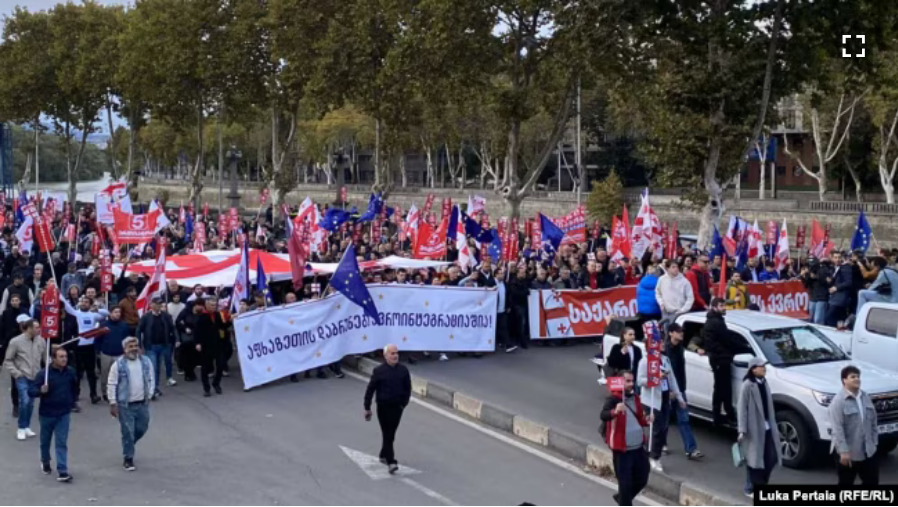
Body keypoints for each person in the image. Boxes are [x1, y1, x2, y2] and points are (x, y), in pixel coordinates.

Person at [600, 370, 651, 507]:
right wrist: (615, 411)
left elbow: (640, 419)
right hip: (623, 451)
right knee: (625, 485)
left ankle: (622, 498)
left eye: (632, 381)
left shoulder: (635, 398)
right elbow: (603, 415)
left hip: (638, 448)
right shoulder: (613, 399)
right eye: (628, 381)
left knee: (642, 478)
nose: (631, 384)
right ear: (620, 382)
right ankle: (624, 500)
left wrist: (647, 420)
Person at [636, 335, 685, 473]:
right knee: (657, 428)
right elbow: (640, 381)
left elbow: (672, 379)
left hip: (664, 397)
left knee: (663, 429)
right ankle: (654, 457)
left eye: (662, 342)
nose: (663, 344)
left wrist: (680, 398)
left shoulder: (665, 360)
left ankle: (650, 452)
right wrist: (656, 378)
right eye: (659, 343)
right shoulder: (645, 362)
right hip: (650, 400)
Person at [30, 346, 77, 482]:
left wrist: (71, 401)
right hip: (47, 413)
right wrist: (40, 390)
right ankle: (45, 461)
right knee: (45, 441)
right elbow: (31, 391)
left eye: (65, 357)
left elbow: (75, 387)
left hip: (63, 413)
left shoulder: (70, 372)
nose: (64, 359)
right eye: (61, 357)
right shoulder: (43, 374)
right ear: (53, 359)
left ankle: (62, 470)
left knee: (61, 442)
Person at [107, 336, 154, 472]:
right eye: (130, 346)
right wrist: (112, 403)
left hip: (142, 403)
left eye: (135, 346)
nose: (134, 349)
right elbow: (112, 383)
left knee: (142, 428)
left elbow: (151, 378)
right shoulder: (118, 364)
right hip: (125, 405)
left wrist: (149, 394)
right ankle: (128, 458)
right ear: (124, 349)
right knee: (128, 431)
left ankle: (128, 444)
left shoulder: (146, 362)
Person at [364, 344, 412, 474]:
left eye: (396, 353)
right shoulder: (379, 371)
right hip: (383, 407)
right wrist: (367, 407)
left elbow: (408, 389)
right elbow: (370, 389)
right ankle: (391, 461)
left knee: (391, 433)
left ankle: (383, 454)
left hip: (398, 408)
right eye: (392, 353)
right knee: (388, 433)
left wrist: (404, 404)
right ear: (385, 356)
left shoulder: (403, 370)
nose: (395, 355)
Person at [737, 357, 782, 496]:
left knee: (771, 457)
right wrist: (742, 430)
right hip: (754, 429)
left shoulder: (764, 382)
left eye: (764, 366)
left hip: (768, 428)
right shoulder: (747, 385)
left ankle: (759, 484)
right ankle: (752, 488)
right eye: (761, 366)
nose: (764, 368)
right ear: (753, 369)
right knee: (754, 460)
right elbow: (741, 408)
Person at [829, 365, 879, 486]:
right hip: (848, 453)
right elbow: (837, 428)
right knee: (846, 483)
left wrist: (874, 442)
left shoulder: (865, 397)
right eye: (852, 377)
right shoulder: (838, 401)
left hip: (868, 450)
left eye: (858, 376)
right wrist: (844, 451)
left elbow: (873, 421)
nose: (857, 379)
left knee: (872, 482)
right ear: (844, 380)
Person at [61, 294, 110, 405]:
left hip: (90, 346)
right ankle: (76, 394)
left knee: (91, 372)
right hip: (78, 346)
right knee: (77, 372)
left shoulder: (93, 315)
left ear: (90, 304)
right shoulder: (76, 313)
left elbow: (107, 314)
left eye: (86, 302)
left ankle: (93, 394)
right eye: (82, 301)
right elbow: (66, 304)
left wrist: (97, 308)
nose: (84, 303)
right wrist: (58, 292)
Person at [3, 315, 45, 440]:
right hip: (22, 376)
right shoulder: (15, 341)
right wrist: (17, 373)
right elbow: (8, 360)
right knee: (24, 401)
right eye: (37, 327)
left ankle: (27, 426)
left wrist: (47, 371)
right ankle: (21, 427)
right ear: (29, 328)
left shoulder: (41, 340)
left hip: (36, 376)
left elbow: (45, 358)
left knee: (31, 403)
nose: (39, 329)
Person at [665, 324, 703, 460]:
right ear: (671, 333)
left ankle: (691, 449)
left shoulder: (680, 349)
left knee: (684, 420)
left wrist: (681, 389)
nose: (681, 334)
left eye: (682, 332)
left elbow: (680, 371)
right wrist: (668, 389)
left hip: (680, 390)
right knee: (664, 419)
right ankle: (661, 444)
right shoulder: (665, 350)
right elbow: (664, 371)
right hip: (668, 391)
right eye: (678, 332)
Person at [700, 298, 738, 426]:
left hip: (719, 358)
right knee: (722, 388)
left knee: (721, 387)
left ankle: (722, 414)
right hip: (720, 359)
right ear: (714, 307)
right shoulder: (716, 322)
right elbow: (726, 339)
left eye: (724, 305)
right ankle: (724, 414)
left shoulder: (714, 320)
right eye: (722, 306)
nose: (724, 308)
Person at [136, 297, 178, 398]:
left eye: (160, 304)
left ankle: (156, 387)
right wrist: (139, 345)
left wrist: (177, 339)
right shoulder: (146, 317)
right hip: (151, 346)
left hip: (164, 345)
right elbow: (138, 330)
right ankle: (153, 389)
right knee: (153, 367)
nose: (159, 306)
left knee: (158, 367)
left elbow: (172, 328)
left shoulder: (166, 316)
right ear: (152, 305)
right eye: (157, 304)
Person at [95, 306, 130, 402]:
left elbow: (127, 339)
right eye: (115, 312)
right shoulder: (103, 325)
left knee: (120, 375)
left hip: (120, 354)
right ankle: (105, 393)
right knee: (105, 375)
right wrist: (98, 351)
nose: (118, 314)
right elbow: (97, 339)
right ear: (110, 313)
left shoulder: (124, 325)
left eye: (119, 312)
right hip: (106, 353)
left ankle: (119, 392)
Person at [196, 297, 226, 397]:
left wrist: (231, 320)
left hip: (217, 344)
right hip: (206, 346)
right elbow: (197, 331)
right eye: (212, 305)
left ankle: (216, 383)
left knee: (221, 365)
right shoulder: (202, 317)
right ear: (206, 305)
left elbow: (222, 326)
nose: (214, 307)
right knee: (205, 368)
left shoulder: (217, 315)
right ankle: (206, 388)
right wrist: (197, 343)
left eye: (215, 305)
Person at [654, 261, 693, 326]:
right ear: (667, 269)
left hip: (679, 313)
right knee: (666, 332)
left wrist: (683, 310)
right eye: (673, 267)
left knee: (675, 333)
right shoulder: (662, 279)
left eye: (677, 267)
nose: (676, 269)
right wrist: (661, 303)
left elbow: (690, 298)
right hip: (665, 312)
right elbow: (658, 293)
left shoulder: (684, 281)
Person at [801, 257, 831, 325]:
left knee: (817, 319)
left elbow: (827, 281)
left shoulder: (824, 269)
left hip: (822, 297)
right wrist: (803, 276)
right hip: (813, 297)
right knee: (811, 318)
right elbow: (806, 285)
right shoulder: (809, 271)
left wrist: (816, 277)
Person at [826, 251, 853, 327]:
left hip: (840, 297)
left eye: (839, 257)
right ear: (831, 258)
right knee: (838, 319)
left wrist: (836, 288)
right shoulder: (833, 268)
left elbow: (848, 282)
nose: (838, 259)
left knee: (829, 317)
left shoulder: (846, 267)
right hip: (834, 297)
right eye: (835, 257)